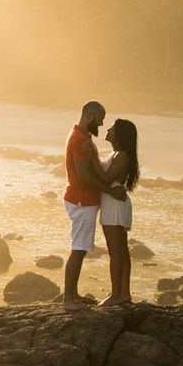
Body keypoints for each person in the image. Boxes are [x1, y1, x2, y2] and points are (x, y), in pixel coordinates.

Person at [62, 101, 127, 311]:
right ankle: (68, 300)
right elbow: (84, 176)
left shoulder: (83, 137)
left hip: (83, 199)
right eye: (99, 121)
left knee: (80, 247)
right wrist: (110, 191)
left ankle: (73, 294)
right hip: (81, 200)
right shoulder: (79, 139)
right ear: (90, 116)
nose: (100, 126)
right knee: (79, 249)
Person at [84, 118, 140, 306]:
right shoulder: (115, 154)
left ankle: (117, 295)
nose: (108, 130)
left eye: (113, 129)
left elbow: (106, 179)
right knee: (121, 250)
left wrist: (92, 158)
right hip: (112, 201)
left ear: (120, 134)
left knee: (116, 250)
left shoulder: (122, 155)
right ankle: (123, 294)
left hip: (114, 203)